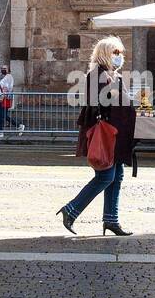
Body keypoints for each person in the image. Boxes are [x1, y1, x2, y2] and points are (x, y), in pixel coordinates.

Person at [59, 36, 137, 236]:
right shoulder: (96, 75)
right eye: (116, 53)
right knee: (105, 176)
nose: (120, 57)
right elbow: (97, 103)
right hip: (104, 133)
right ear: (105, 54)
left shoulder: (114, 75)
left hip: (116, 135)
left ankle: (111, 219)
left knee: (117, 176)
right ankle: (71, 209)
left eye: (120, 53)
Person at [0, 65, 25, 138]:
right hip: (2, 97)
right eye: (2, 68)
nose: (3, 69)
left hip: (4, 98)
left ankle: (1, 131)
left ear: (8, 70)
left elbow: (6, 88)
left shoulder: (8, 77)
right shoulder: (4, 77)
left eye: (5, 68)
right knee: (3, 115)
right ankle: (18, 126)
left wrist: (2, 97)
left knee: (2, 115)